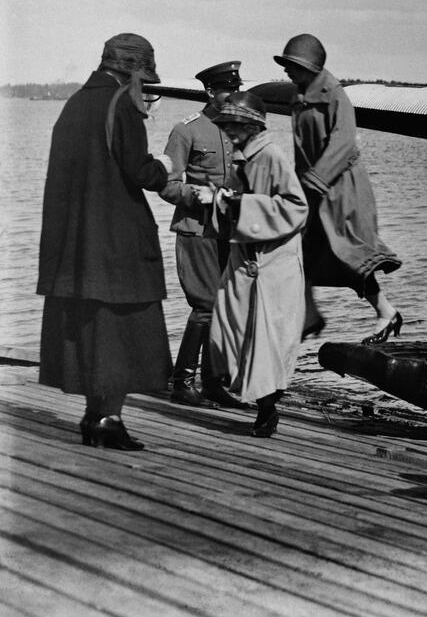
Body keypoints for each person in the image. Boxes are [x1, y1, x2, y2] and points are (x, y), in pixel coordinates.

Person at [37, 34, 175, 451]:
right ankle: (109, 419)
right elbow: (139, 172)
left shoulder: (75, 103)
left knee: (93, 331)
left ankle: (92, 417)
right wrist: (165, 167)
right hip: (117, 244)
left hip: (75, 247)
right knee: (122, 330)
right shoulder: (122, 105)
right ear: (134, 72)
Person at [274, 34, 402, 344]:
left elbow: (344, 144)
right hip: (316, 189)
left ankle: (384, 313)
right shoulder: (300, 95)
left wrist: (313, 183)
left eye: (292, 65)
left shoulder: (334, 96)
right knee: (301, 251)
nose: (287, 71)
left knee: (348, 254)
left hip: (342, 189)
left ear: (309, 66)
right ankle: (310, 317)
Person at [208, 92, 309, 437]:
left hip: (272, 264)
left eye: (234, 125)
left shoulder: (271, 156)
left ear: (252, 125)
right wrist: (223, 201)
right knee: (228, 325)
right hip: (247, 260)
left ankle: (267, 410)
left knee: (265, 341)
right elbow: (236, 204)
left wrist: (240, 205)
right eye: (226, 125)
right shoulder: (245, 157)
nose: (228, 132)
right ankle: (251, 393)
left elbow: (297, 207)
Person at [158, 60, 250, 409]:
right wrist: (195, 197)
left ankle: (213, 384)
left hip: (231, 232)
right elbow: (166, 185)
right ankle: (182, 381)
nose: (233, 98)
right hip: (197, 230)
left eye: (237, 91)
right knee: (205, 305)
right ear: (210, 91)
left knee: (226, 305)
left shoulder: (239, 128)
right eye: (227, 91)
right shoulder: (187, 131)